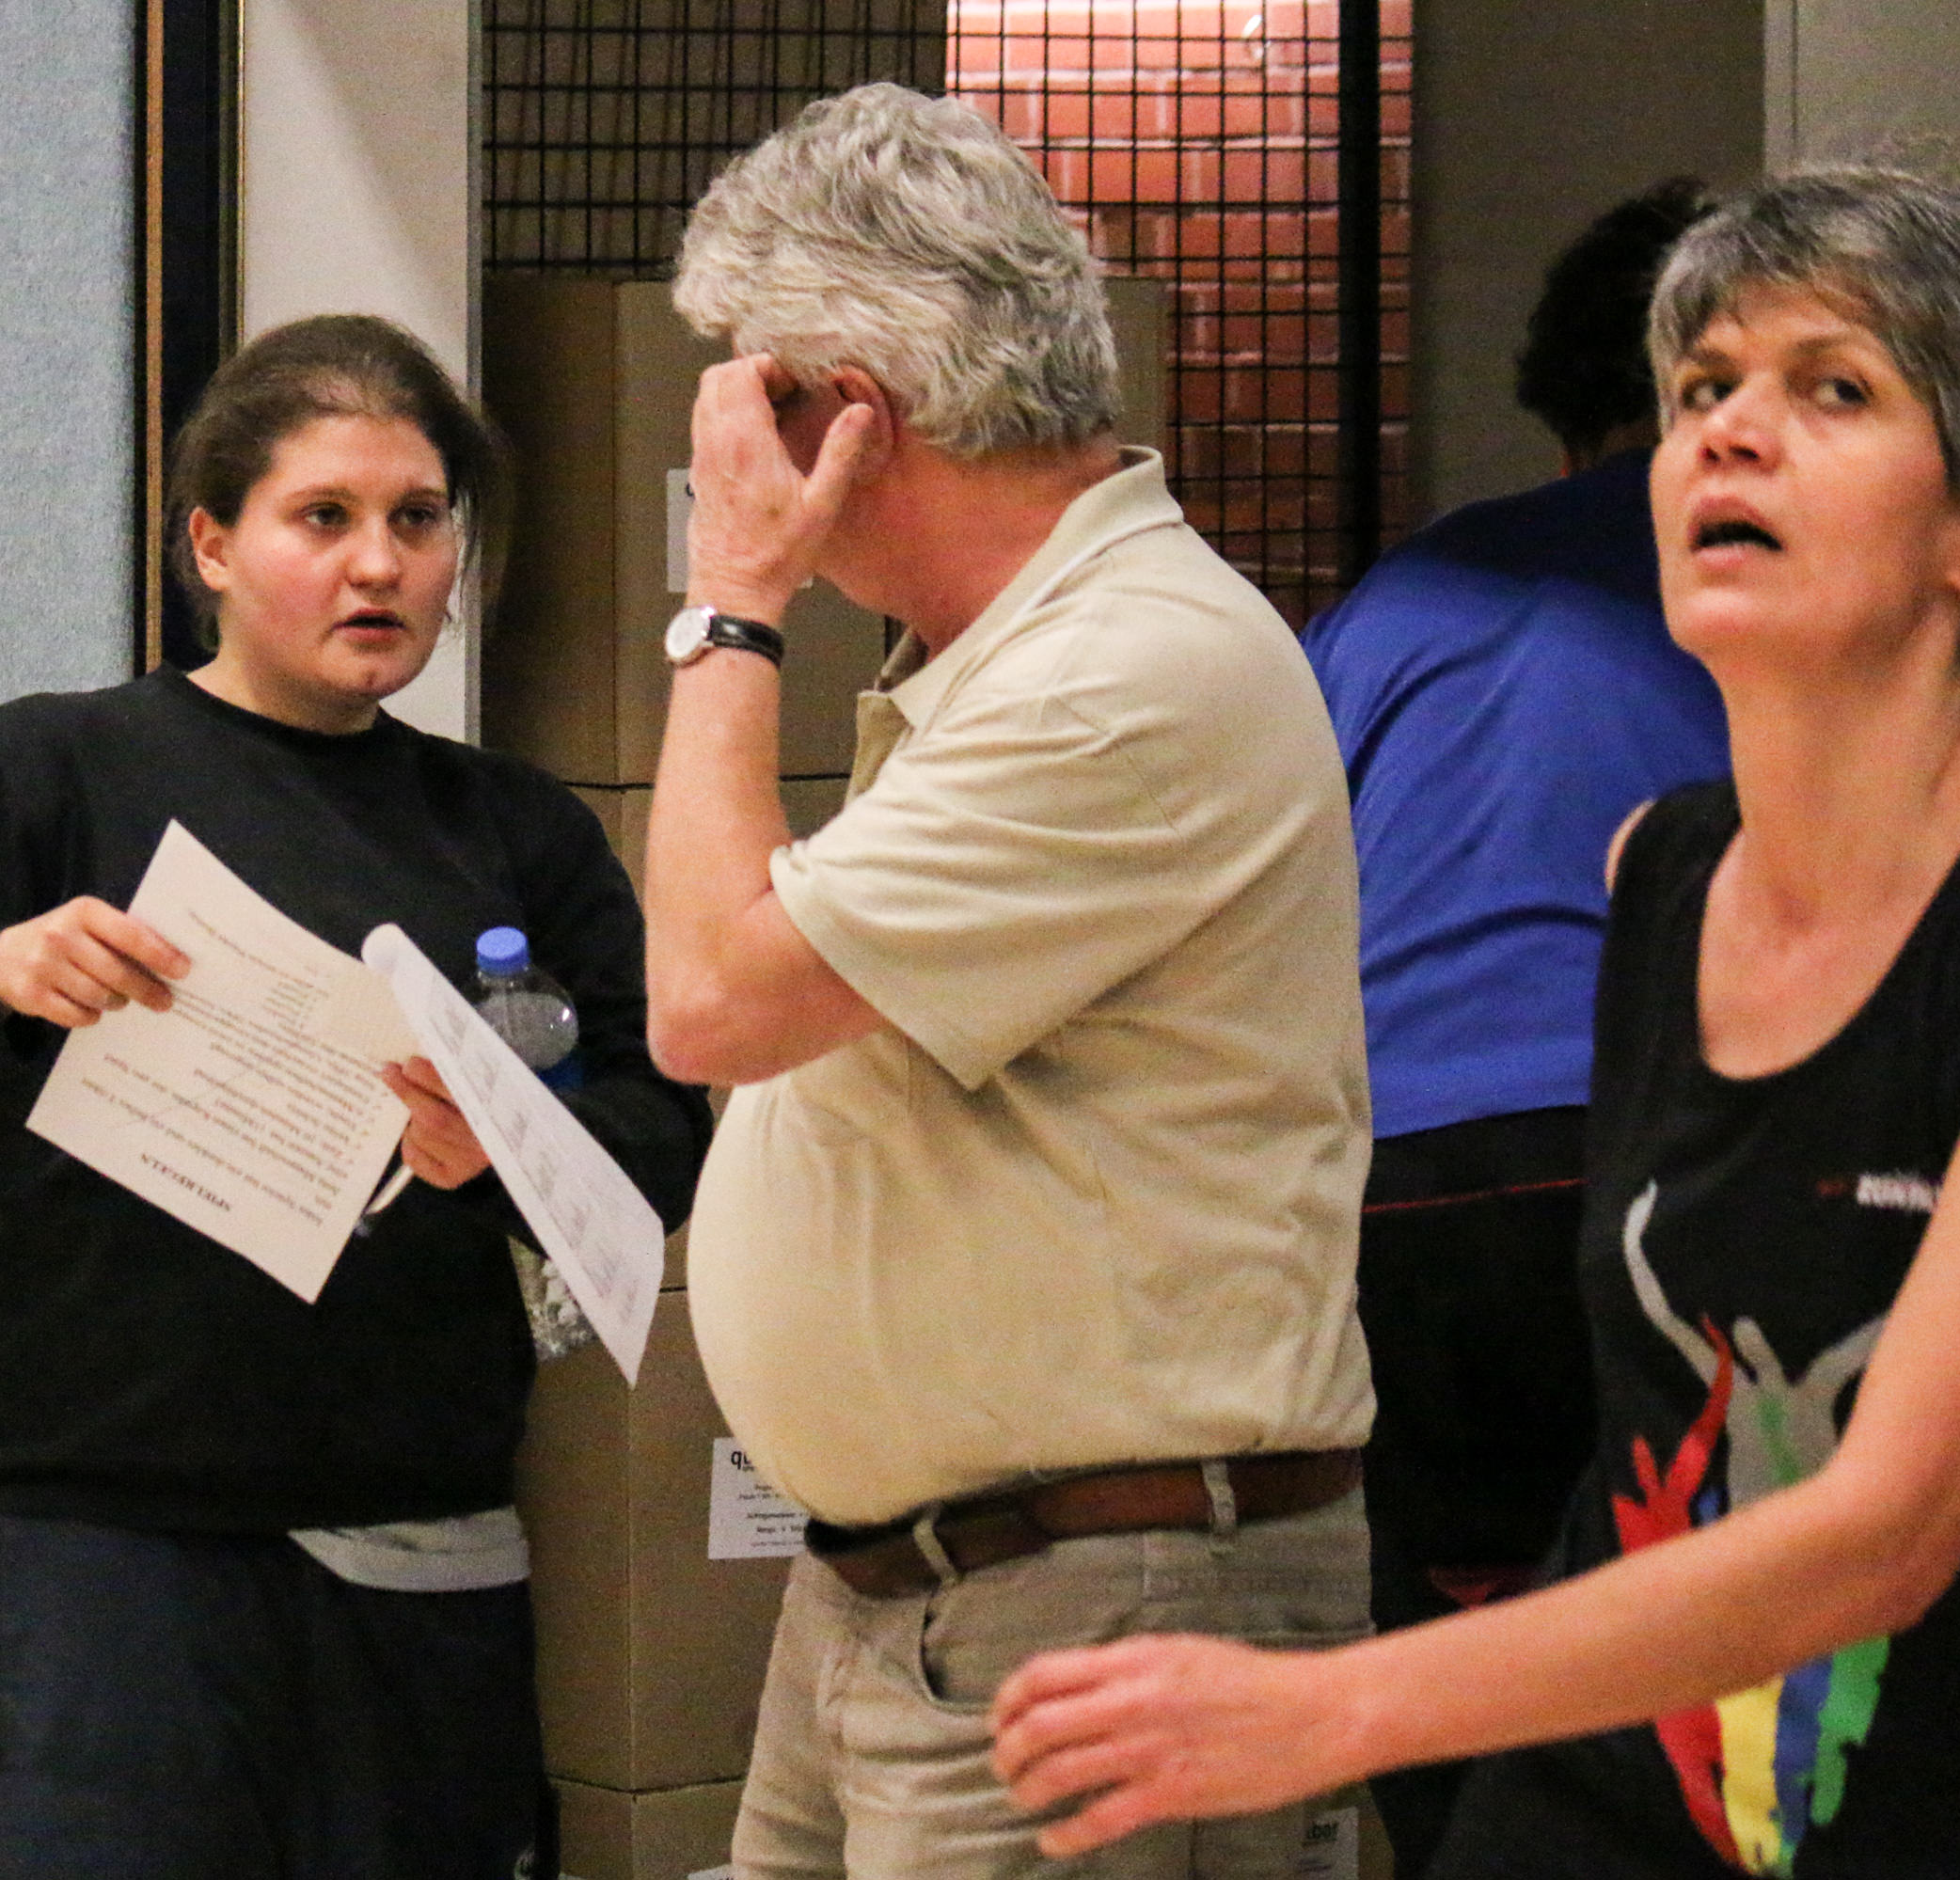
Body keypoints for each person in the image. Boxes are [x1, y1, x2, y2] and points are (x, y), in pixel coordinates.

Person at [994, 164, 1960, 1879]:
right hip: (1619, 1806)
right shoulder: (1655, 873)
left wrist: (1338, 1705)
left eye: (1833, 390)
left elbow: (1881, 1534)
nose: (1730, 434)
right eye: (1702, 388)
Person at [0, 314, 714, 1879]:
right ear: (213, 546)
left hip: (420, 1544)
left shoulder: (511, 827)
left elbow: (669, 1137)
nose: (379, 565)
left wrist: (514, 1146)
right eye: (323, 517)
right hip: (105, 1547)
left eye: (418, 519)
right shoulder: (48, 772)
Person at [646, 84, 1373, 1879]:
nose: (726, 448)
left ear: (852, 416)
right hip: (913, 1588)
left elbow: (713, 1000)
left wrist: (732, 601)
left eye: (750, 394)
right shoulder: (1005, 652)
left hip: (1097, 1597)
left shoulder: (1123, 672)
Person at [1300, 180, 1730, 1874]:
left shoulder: (1397, 599)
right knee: (1678, 1650)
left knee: (1451, 1662)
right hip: (1633, 1153)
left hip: (1391, 1175)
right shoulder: (1751, 576)